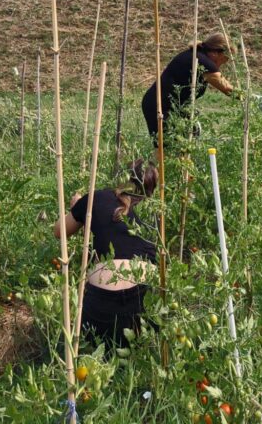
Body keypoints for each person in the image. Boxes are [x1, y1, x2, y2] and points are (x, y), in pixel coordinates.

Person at [53, 161, 158, 347]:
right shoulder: (156, 215)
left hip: (102, 304)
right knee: (136, 356)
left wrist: (78, 207)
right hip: (144, 305)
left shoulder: (97, 197)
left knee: (96, 351)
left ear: (122, 177)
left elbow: (59, 231)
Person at [141, 32, 236, 141]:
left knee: (179, 148)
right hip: (159, 107)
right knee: (167, 151)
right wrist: (252, 98)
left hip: (167, 107)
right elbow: (227, 89)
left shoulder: (196, 55)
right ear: (217, 52)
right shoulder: (201, 61)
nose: (222, 64)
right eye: (225, 59)